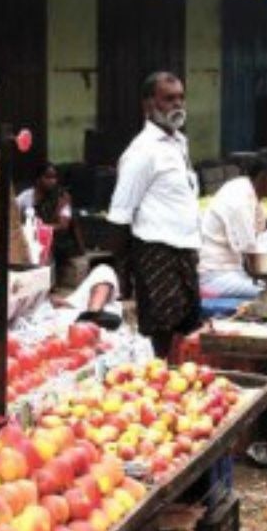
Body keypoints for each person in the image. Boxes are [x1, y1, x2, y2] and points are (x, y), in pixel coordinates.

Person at [107, 71, 201, 358]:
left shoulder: (179, 144)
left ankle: (176, 381)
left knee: (187, 324)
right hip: (156, 253)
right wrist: (123, 276)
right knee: (161, 328)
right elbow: (120, 217)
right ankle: (157, 379)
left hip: (185, 250)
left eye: (181, 98)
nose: (178, 105)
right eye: (169, 98)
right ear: (148, 105)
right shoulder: (142, 152)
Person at [199, 148, 267, 299]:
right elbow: (252, 262)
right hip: (215, 276)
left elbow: (263, 225)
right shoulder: (240, 201)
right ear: (265, 177)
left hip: (231, 271)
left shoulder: (247, 190)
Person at [16, 161, 82, 267]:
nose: (52, 181)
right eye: (48, 177)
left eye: (54, 177)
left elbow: (63, 225)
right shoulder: (26, 196)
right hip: (30, 238)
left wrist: (40, 229)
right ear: (38, 179)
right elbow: (13, 214)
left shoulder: (62, 198)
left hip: (57, 241)